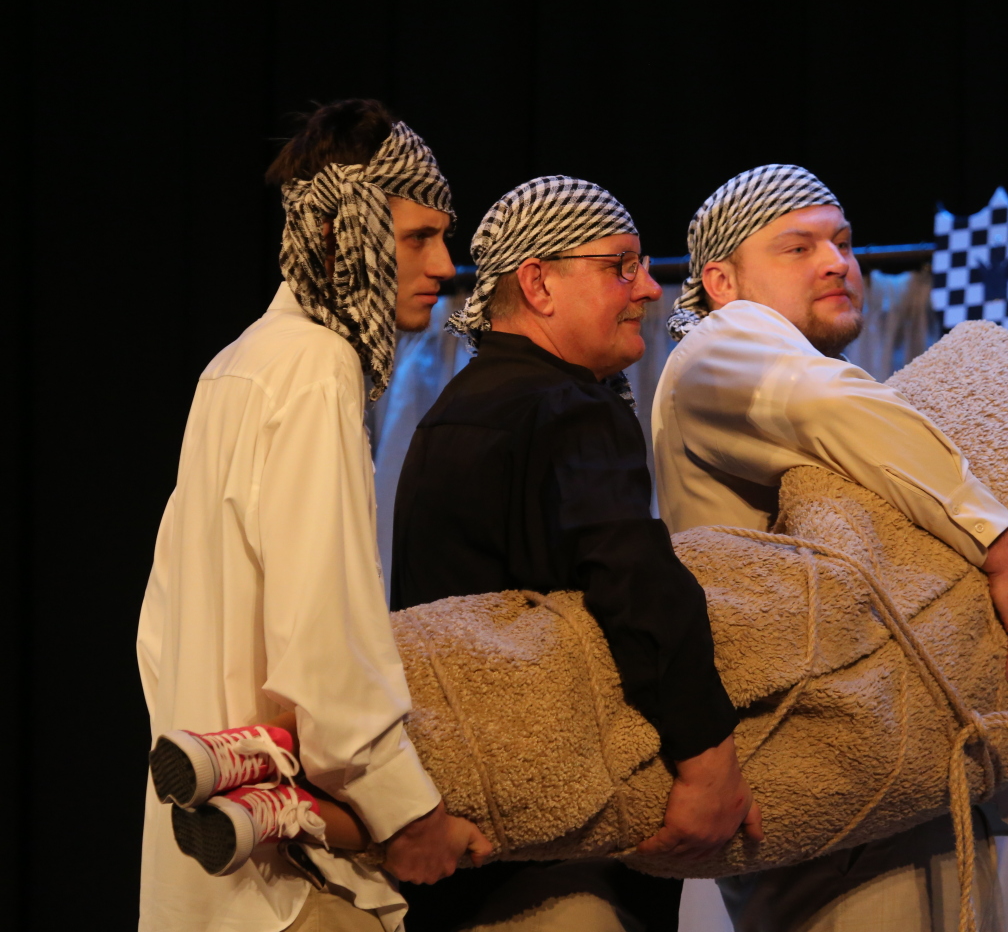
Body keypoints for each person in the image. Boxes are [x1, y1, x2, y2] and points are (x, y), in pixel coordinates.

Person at [652, 164, 1008, 931]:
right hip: (835, 833)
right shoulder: (719, 345)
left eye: (844, 243)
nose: (835, 262)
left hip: (909, 808)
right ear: (721, 281)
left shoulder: (844, 404)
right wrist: (1007, 545)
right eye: (798, 247)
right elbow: (828, 404)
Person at [137, 100, 489, 932]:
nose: (445, 265)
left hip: (210, 872)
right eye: (417, 238)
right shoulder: (316, 368)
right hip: (282, 881)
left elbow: (156, 630)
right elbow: (322, 632)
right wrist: (405, 812)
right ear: (338, 233)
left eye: (444, 237)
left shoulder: (235, 364)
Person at [390, 175, 757, 931]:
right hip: (560, 872)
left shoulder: (454, 410)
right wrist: (709, 764)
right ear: (538, 284)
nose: (648, 288)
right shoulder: (567, 407)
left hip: (465, 856)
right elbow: (638, 584)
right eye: (621, 266)